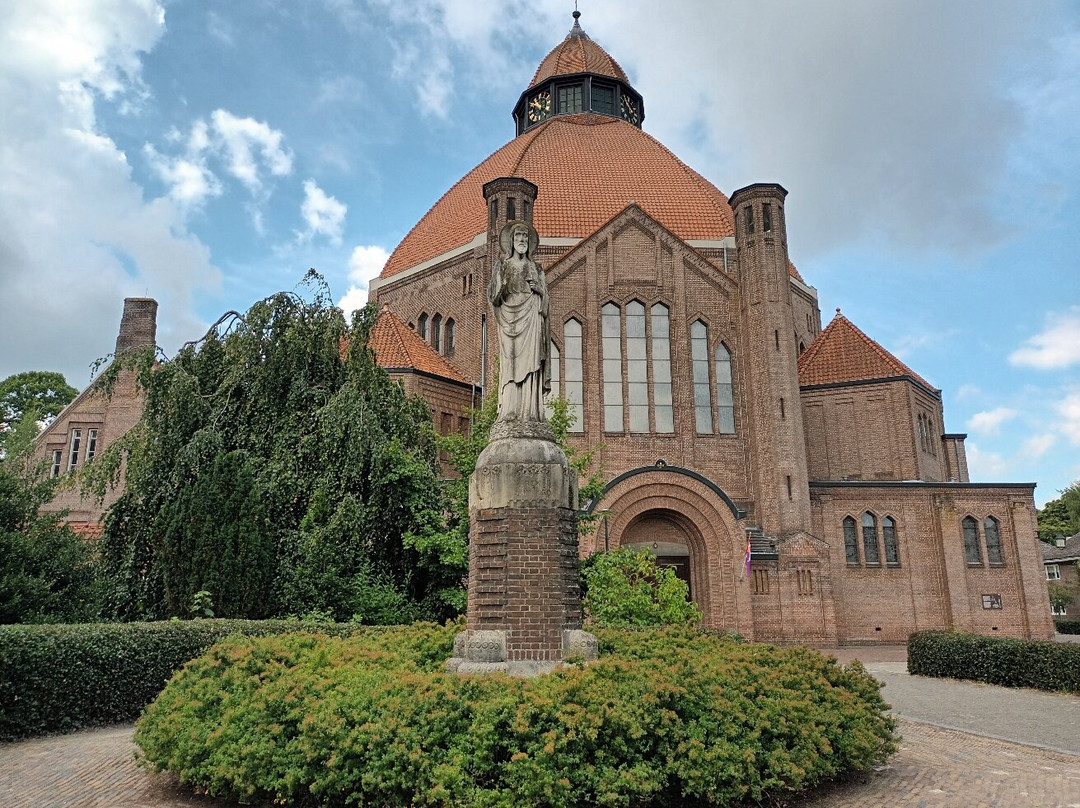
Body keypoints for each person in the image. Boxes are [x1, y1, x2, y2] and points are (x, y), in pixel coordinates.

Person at [488, 220, 550, 422]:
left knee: (531, 363)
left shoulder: (536, 268)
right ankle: (509, 410)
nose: (522, 240)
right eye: (518, 237)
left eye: (525, 237)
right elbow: (494, 298)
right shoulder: (503, 266)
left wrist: (539, 291)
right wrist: (502, 287)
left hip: (531, 317)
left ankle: (529, 411)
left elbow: (546, 302)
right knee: (510, 364)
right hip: (509, 319)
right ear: (511, 241)